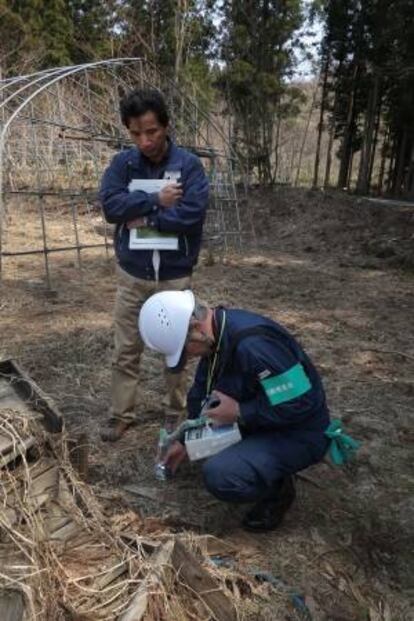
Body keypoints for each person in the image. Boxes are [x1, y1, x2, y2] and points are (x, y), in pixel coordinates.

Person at [138, 291, 331, 532]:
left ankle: (278, 490)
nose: (188, 358)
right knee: (205, 450)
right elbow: (202, 392)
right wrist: (186, 439)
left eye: (185, 350)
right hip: (267, 419)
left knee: (222, 475)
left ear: (196, 328)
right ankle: (257, 457)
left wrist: (242, 411)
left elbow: (302, 402)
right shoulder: (216, 337)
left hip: (301, 430)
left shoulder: (255, 346)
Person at [99, 89, 209, 441]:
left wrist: (146, 217)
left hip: (176, 276)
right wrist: (155, 199)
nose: (144, 141)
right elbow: (112, 208)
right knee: (126, 348)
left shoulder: (189, 165)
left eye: (151, 132)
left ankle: (174, 413)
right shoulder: (123, 165)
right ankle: (121, 414)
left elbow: (191, 215)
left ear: (166, 126)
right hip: (133, 275)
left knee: (176, 349)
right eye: (135, 133)